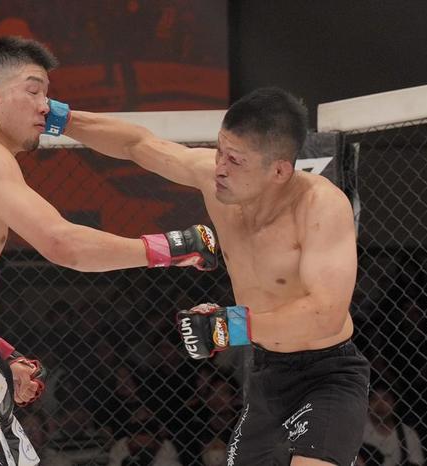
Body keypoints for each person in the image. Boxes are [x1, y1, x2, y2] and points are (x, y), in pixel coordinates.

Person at [0, 35, 217, 466]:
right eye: (33, 91)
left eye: (46, 94)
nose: (45, 106)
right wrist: (171, 247)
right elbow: (63, 243)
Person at [64, 87, 371, 465]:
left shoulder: (320, 206)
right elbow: (136, 145)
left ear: (278, 170)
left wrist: (229, 326)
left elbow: (326, 314)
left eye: (236, 160)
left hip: (327, 375)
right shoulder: (213, 177)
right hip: (267, 372)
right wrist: (59, 118)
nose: (220, 167)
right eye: (220, 151)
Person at [361, 384, 425, 466]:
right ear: (368, 403)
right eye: (374, 400)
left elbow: (417, 462)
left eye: (385, 399)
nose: (380, 405)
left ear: (394, 403)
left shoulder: (408, 433)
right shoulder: (357, 429)